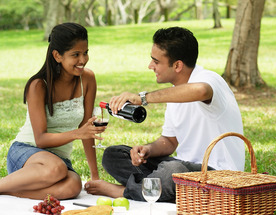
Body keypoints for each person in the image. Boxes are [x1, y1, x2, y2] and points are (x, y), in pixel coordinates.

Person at [84, 26, 245, 202]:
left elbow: (201, 91)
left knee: (172, 171)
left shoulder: (208, 79)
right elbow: (169, 142)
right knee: (114, 155)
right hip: (184, 171)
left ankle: (125, 192)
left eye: (156, 61)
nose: (150, 66)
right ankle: (154, 189)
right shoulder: (175, 92)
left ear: (177, 65)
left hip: (218, 175)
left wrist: (143, 98)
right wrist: (147, 150)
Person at [0, 22, 105, 200]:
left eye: (86, 52)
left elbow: (87, 130)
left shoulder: (87, 79)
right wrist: (78, 133)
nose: (83, 60)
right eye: (76, 55)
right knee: (56, 168)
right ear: (57, 55)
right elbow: (40, 140)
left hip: (58, 161)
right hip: (27, 153)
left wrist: (95, 176)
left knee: (73, 186)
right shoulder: (38, 85)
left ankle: (9, 192)